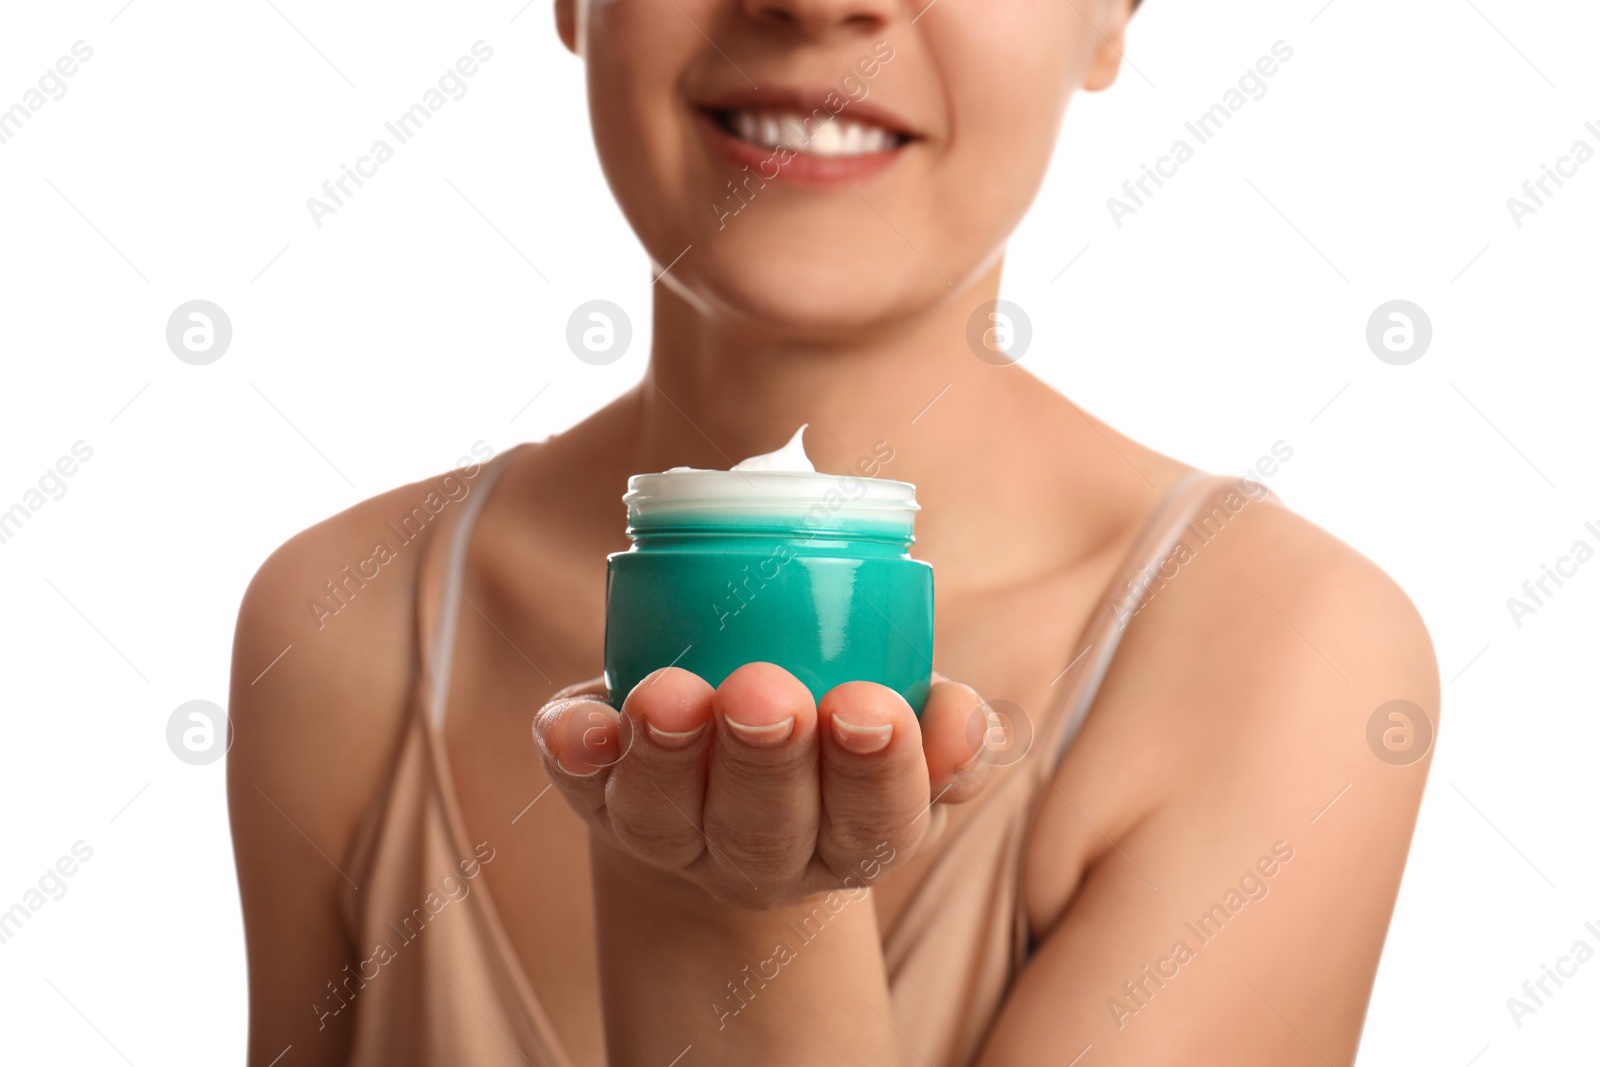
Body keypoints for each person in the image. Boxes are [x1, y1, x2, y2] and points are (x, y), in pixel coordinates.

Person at [227, 1, 1438, 1063]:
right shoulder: (346, 620)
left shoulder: (1290, 661)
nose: (816, 2)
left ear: (1114, 15)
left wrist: (743, 910)